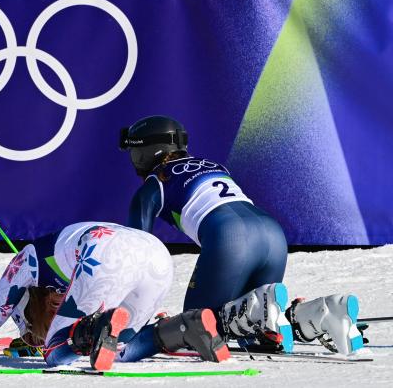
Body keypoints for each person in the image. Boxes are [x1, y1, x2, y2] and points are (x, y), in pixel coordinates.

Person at [119, 115, 364, 355]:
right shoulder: (213, 165)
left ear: (150, 152)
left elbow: (139, 255)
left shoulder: (155, 183)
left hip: (230, 237)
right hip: (272, 234)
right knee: (256, 326)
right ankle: (323, 312)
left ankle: (264, 308)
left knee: (195, 327)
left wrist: (126, 326)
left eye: (136, 153)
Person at [0, 222, 230, 370]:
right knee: (118, 349)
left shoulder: (28, 258)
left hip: (106, 250)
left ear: (26, 307)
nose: (36, 335)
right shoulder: (61, 280)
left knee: (57, 354)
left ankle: (95, 326)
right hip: (156, 255)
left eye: (30, 329)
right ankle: (184, 328)